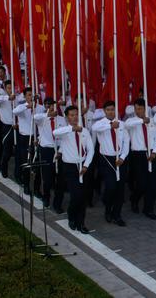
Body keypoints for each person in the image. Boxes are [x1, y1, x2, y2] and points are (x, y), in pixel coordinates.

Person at [53, 105, 94, 234]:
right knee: (76, 195)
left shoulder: (84, 131)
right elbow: (55, 133)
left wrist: (86, 165)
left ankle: (81, 222)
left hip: (83, 166)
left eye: (76, 114)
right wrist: (72, 128)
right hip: (70, 167)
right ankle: (71, 216)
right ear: (67, 117)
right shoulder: (64, 130)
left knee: (83, 196)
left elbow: (91, 149)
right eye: (71, 115)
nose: (75, 117)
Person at [91, 100, 129, 226]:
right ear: (104, 111)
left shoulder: (122, 124)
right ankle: (108, 210)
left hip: (120, 159)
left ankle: (117, 214)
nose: (111, 112)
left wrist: (123, 157)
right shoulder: (100, 124)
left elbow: (126, 142)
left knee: (120, 188)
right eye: (108, 110)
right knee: (111, 186)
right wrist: (110, 126)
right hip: (107, 159)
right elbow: (94, 128)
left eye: (113, 109)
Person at [125, 97, 156, 218]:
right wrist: (141, 121)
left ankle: (148, 209)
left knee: (152, 183)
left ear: (145, 109)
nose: (137, 111)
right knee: (141, 183)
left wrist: (154, 152)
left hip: (151, 153)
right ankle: (134, 199)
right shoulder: (132, 121)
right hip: (138, 155)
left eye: (140, 109)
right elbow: (127, 125)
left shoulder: (152, 121)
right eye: (136, 109)